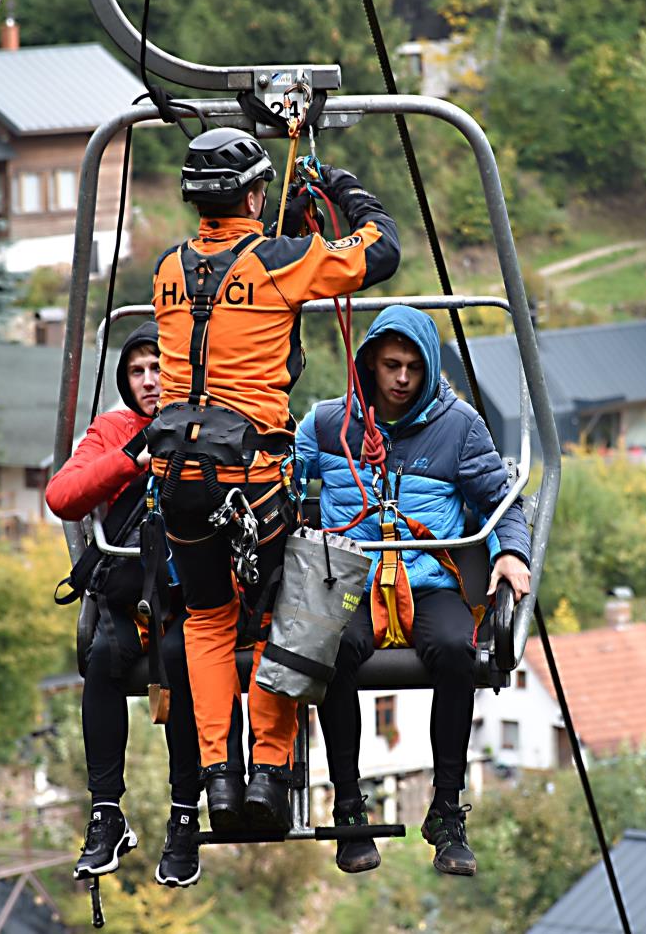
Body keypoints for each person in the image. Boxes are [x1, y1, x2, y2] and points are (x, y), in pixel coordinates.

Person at [148, 127, 400, 834]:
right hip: (251, 477)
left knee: (206, 618)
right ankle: (267, 769)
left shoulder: (167, 269)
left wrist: (277, 226)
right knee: (269, 619)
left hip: (177, 477)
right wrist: (341, 187)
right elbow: (379, 248)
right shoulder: (281, 262)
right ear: (254, 192)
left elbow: (232, 281)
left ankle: (217, 779)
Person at [295, 306, 531, 877]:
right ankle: (349, 805)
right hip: (351, 579)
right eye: (391, 366)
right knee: (331, 648)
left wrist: (510, 553)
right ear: (370, 364)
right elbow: (280, 481)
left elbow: (500, 502)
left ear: (428, 370)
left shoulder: (460, 427)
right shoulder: (329, 424)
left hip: (426, 581)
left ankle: (447, 810)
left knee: (456, 649)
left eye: (413, 368)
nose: (401, 379)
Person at [47, 323, 236, 888]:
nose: (150, 380)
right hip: (134, 597)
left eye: (159, 367)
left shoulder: (211, 421)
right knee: (104, 658)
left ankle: (184, 815)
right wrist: (135, 453)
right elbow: (63, 495)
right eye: (137, 371)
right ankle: (106, 810)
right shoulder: (115, 431)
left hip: (194, 598)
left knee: (180, 664)